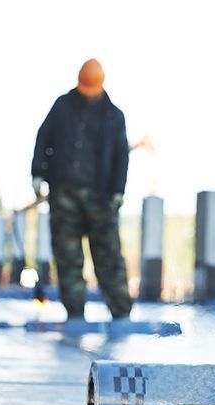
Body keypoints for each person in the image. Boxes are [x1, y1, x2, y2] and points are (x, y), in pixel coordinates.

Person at [31, 59, 132, 321]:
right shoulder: (62, 106)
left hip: (101, 198)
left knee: (108, 256)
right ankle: (74, 313)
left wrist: (118, 191)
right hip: (64, 195)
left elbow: (122, 156)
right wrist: (38, 173)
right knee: (67, 256)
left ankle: (121, 313)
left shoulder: (114, 116)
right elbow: (43, 137)